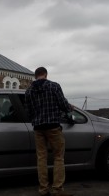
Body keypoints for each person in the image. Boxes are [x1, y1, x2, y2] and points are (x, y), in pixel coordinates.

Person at [25, 67, 73, 196]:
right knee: (58, 157)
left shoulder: (29, 91)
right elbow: (63, 105)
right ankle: (57, 189)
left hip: (38, 128)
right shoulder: (54, 86)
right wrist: (69, 108)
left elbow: (28, 111)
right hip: (53, 127)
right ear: (45, 74)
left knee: (41, 158)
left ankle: (43, 189)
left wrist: (35, 120)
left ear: (35, 76)